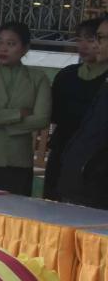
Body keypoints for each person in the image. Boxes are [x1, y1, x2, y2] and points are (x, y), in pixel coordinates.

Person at [0, 21, 51, 196]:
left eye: (11, 44)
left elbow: (42, 119)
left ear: (25, 48)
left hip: (20, 159)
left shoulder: (38, 78)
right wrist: (17, 114)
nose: (3, 49)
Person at [44, 17, 105, 201]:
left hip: (97, 159)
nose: (83, 46)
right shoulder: (67, 75)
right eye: (79, 39)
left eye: (92, 39)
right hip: (63, 148)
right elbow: (53, 112)